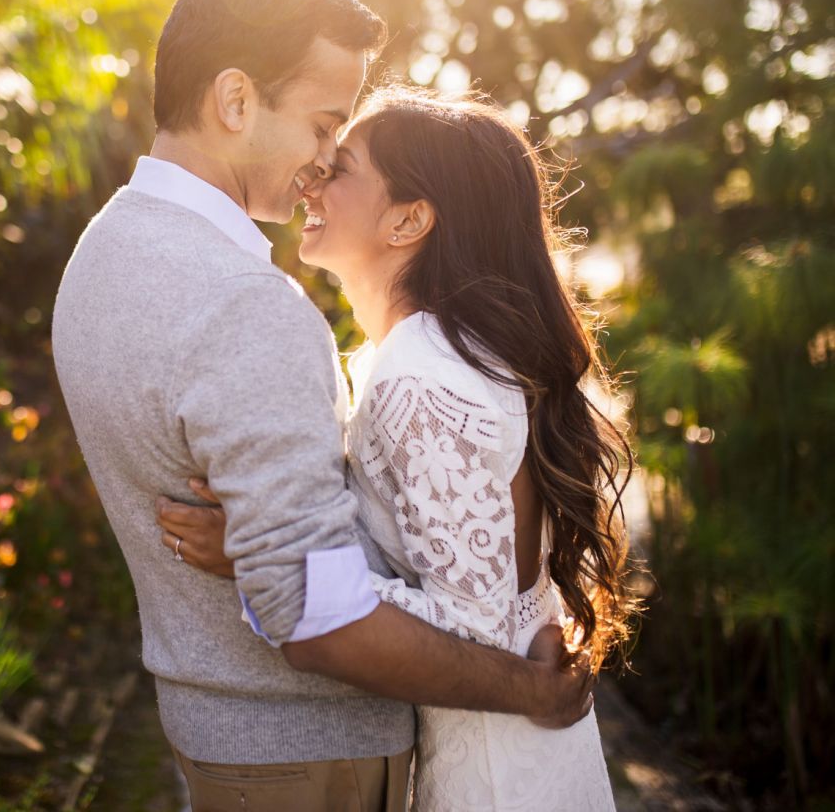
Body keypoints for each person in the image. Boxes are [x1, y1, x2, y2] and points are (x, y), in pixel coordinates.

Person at [53, 0, 592, 812]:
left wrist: (262, 553)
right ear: (235, 101)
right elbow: (311, 603)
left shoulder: (101, 255)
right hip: (308, 759)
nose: (323, 160)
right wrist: (531, 690)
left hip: (232, 736)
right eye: (321, 126)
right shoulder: (246, 307)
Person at [156, 84, 636, 809]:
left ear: (409, 220)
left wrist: (264, 554)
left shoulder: (420, 377)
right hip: (519, 745)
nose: (313, 176)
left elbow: (475, 629)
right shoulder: (448, 353)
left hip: (493, 772)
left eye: (340, 166)